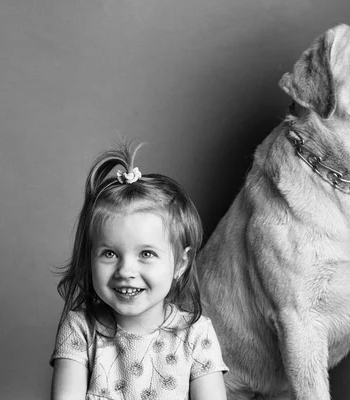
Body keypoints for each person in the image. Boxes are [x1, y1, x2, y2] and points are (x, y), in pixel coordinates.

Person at [50, 142, 228, 400]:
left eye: (146, 254)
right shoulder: (80, 329)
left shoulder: (197, 334)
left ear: (180, 263)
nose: (126, 270)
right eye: (110, 254)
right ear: (89, 258)